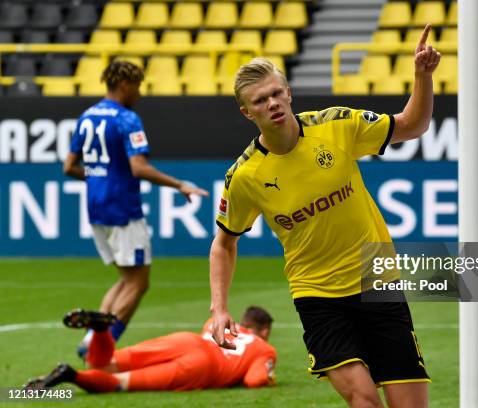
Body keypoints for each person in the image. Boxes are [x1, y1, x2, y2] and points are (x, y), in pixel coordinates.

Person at [210, 24, 440, 408]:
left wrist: (422, 76)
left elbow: (412, 125)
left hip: (376, 277)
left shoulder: (336, 125)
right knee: (364, 400)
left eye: (275, 93)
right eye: (260, 100)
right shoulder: (245, 176)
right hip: (317, 293)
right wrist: (219, 309)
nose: (272, 104)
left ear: (288, 92)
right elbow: (223, 244)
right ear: (246, 112)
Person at [63, 61, 209, 358]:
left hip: (96, 206)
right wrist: (179, 185)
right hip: (122, 207)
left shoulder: (87, 116)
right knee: (139, 282)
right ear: (125, 84)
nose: (139, 94)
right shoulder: (127, 119)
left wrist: (98, 178)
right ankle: (101, 348)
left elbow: (69, 167)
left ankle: (92, 336)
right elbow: (139, 168)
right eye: (138, 87)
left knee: (127, 278)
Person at [24, 306, 276, 392]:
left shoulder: (217, 322)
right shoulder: (264, 348)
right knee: (118, 381)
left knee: (101, 364)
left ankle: (100, 330)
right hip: (203, 366)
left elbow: (210, 336)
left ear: (244, 321)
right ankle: (70, 375)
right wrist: (269, 378)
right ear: (263, 331)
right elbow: (255, 380)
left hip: (186, 341)